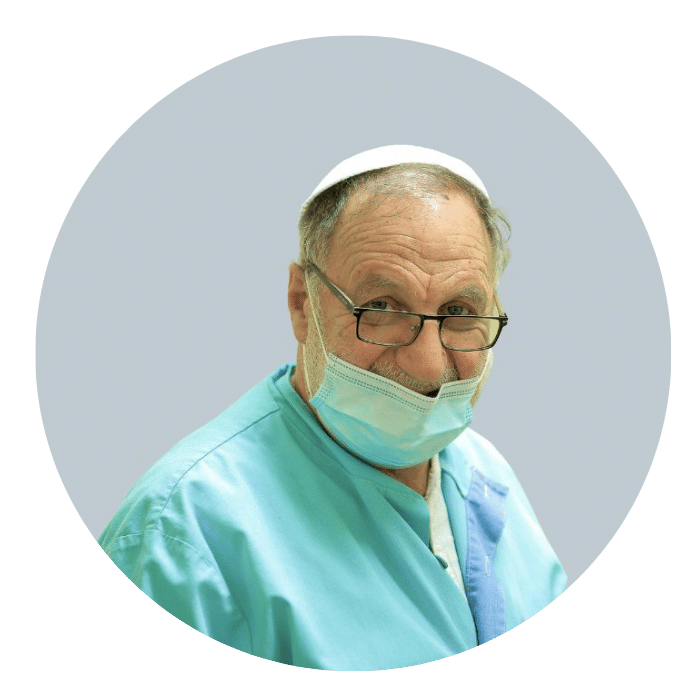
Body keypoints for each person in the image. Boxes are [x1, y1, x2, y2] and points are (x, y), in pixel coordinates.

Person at [99, 145, 566, 671]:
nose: (429, 364)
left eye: (459, 311)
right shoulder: (184, 531)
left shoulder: (485, 473)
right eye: (382, 307)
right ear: (302, 303)